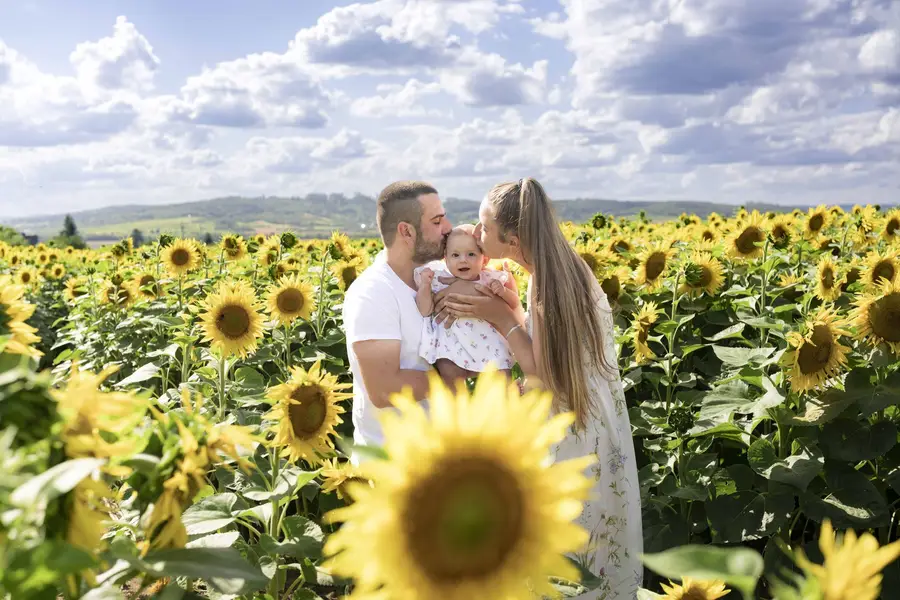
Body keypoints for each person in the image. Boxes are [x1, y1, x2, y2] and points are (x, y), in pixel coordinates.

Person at [435, 178, 644, 599]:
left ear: (512, 240)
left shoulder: (544, 283)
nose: (476, 232)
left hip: (570, 430)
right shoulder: (564, 267)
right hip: (597, 417)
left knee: (567, 558)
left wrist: (501, 318)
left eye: (484, 226)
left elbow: (543, 376)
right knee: (601, 542)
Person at [341, 180, 452, 462]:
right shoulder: (373, 293)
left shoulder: (434, 275)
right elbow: (383, 388)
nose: (447, 228)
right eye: (437, 221)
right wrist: (459, 377)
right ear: (407, 231)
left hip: (436, 460)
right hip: (391, 466)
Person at [414, 224, 517, 387]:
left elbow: (514, 303)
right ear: (445, 259)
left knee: (501, 373)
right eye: (455, 255)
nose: (463, 260)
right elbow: (424, 310)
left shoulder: (489, 279)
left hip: (487, 342)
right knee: (448, 371)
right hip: (451, 344)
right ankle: (454, 403)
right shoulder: (438, 279)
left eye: (471, 254)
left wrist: (503, 292)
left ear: (485, 259)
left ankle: (506, 399)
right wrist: (425, 287)